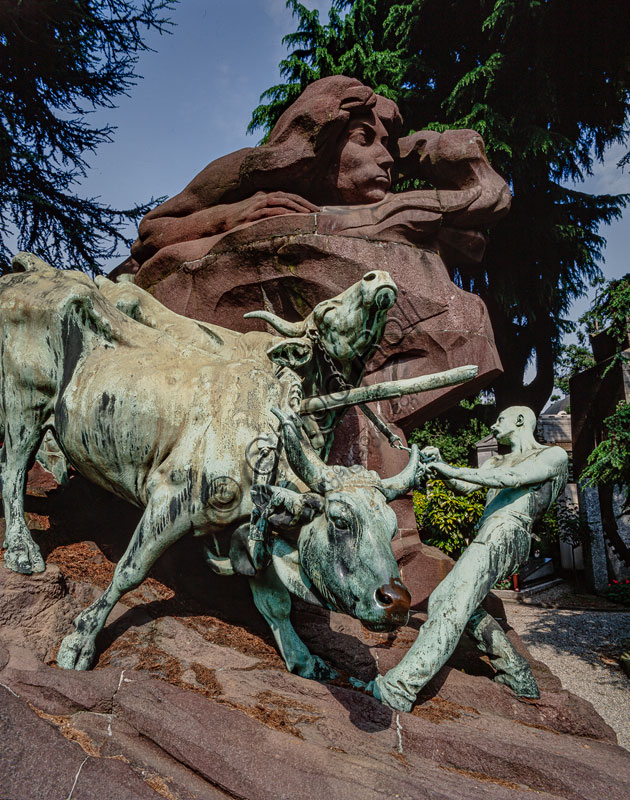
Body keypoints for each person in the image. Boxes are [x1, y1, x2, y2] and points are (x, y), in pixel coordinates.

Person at [115, 75, 510, 284]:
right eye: (364, 138)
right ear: (323, 142)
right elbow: (151, 232)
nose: (386, 158)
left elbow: (489, 200)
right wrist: (230, 215)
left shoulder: (369, 214)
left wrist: (435, 148)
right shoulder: (247, 170)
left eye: (389, 145)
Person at [367, 406, 569, 712]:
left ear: (519, 421)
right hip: (488, 533)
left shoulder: (552, 455)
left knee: (449, 602)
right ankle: (517, 674)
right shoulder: (498, 459)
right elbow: (465, 485)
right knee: (463, 606)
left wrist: (451, 470)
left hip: (507, 532)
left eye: (500, 419)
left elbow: (512, 478)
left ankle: (399, 688)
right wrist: (439, 465)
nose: (493, 423)